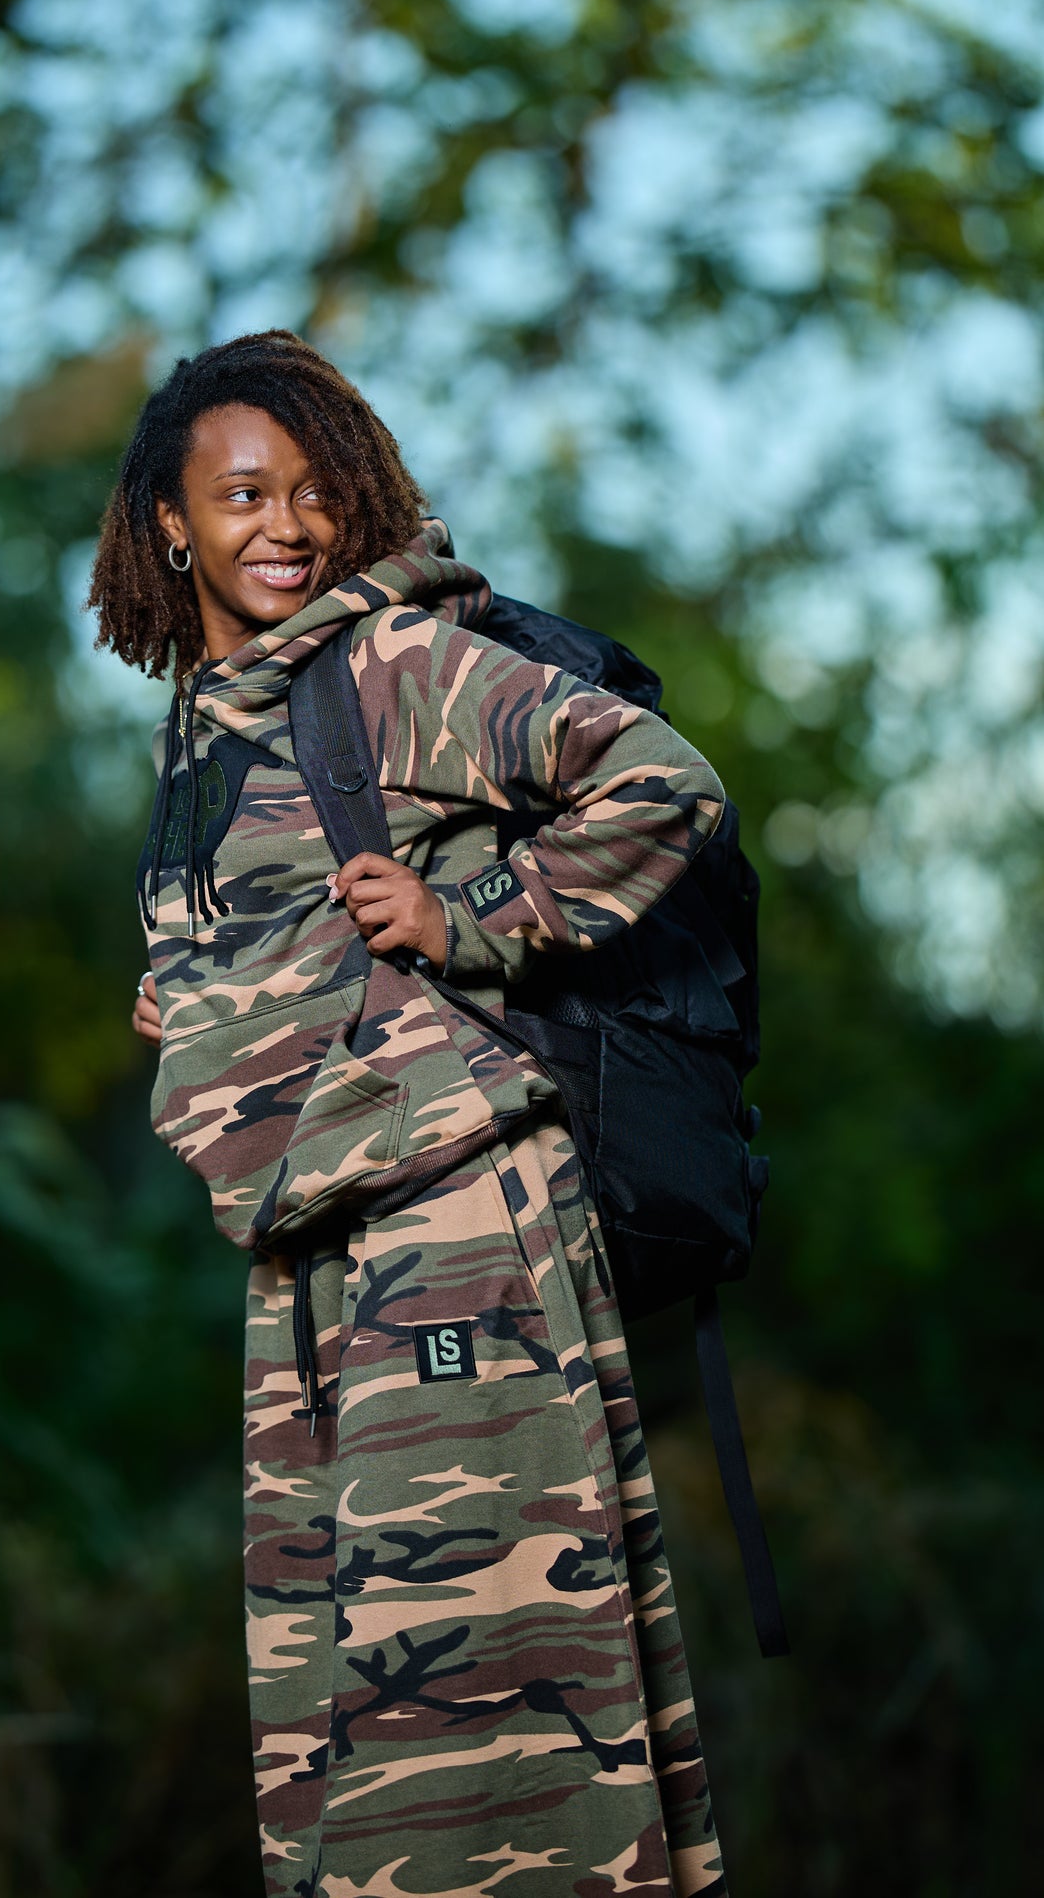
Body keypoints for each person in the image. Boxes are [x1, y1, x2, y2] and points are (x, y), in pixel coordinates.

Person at [89, 330, 728, 1898]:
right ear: (171, 522)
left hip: (453, 1233)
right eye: (244, 494)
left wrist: (480, 917)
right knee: (341, 1727)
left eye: (313, 492)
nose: (285, 525)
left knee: (489, 1709)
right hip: (308, 1258)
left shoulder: (390, 663)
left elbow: (662, 781)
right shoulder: (210, 723)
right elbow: (293, 937)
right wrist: (198, 1007)